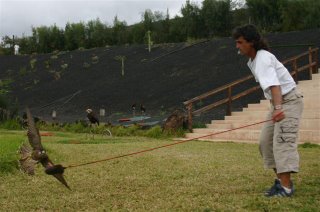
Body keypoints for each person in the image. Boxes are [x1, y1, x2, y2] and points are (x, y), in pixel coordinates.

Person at [232, 24, 304, 197]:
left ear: (252, 42)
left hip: (288, 102)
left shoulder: (263, 58)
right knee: (265, 143)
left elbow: (274, 85)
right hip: (277, 103)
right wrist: (275, 106)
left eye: (240, 42)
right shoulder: (253, 61)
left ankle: (286, 189)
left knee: (282, 142)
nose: (237, 46)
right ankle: (281, 182)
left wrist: (279, 108)